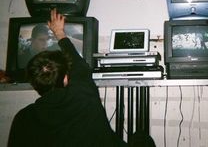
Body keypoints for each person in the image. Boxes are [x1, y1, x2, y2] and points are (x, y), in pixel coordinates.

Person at [8, 9, 128, 147]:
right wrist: (59, 33)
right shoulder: (84, 95)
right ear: (66, 78)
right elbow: (80, 67)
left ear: (34, 83)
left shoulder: (23, 118)